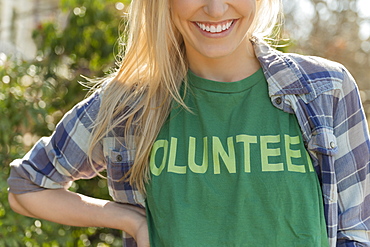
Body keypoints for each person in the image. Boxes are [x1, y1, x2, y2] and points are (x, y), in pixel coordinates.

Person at [7, 0, 370, 246]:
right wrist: (130, 220)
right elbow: (27, 188)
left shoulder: (324, 90)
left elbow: (358, 230)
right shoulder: (129, 105)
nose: (214, 8)